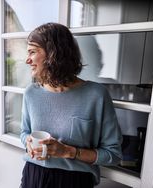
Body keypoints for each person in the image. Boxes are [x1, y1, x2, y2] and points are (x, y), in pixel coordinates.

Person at [20, 23, 123, 188]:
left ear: (54, 54)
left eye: (33, 51)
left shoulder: (97, 95)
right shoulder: (31, 93)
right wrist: (29, 142)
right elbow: (24, 133)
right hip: (33, 175)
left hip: (75, 180)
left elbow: (113, 155)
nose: (27, 60)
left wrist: (67, 152)